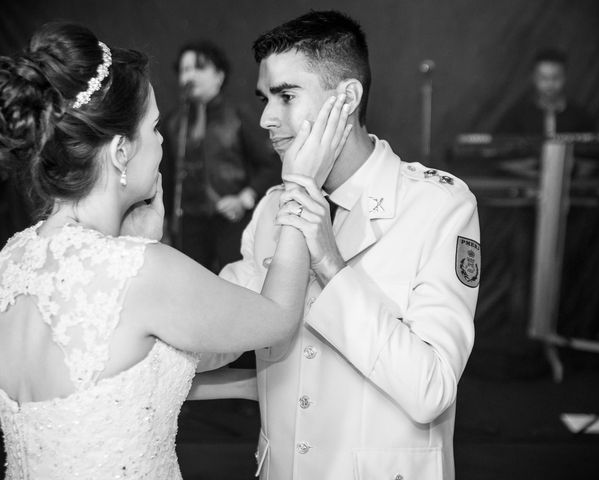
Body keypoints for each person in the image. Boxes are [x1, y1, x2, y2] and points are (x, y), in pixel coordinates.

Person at [0, 22, 350, 479]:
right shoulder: (142, 271)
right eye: (154, 127)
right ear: (121, 151)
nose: (163, 140)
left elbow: (110, 385)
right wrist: (302, 181)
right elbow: (278, 318)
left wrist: (248, 385)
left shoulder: (13, 259)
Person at [216, 10, 481, 480]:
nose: (265, 118)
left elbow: (431, 389)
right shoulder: (274, 206)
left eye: (286, 96)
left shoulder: (437, 204)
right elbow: (221, 326)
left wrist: (328, 262)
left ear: (348, 97)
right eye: (264, 98)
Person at [161, 40, 280, 274]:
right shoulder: (174, 122)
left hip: (231, 221)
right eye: (184, 70)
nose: (190, 76)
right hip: (189, 224)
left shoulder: (237, 117)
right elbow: (166, 174)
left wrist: (244, 197)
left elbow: (271, 165)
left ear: (219, 76)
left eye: (199, 68)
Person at [495, 48, 594, 137]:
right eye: (543, 78)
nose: (549, 84)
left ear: (565, 78)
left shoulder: (579, 117)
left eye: (556, 78)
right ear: (534, 78)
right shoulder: (517, 116)